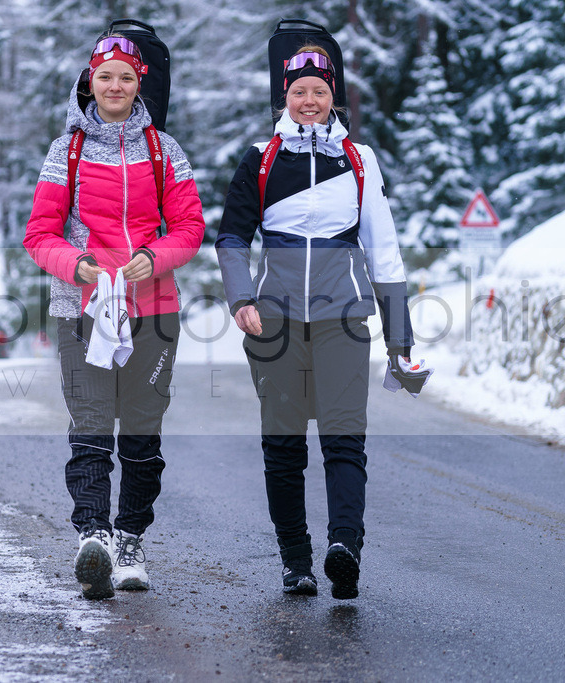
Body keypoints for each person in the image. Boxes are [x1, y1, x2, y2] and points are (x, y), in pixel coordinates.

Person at [215, 45, 416, 599]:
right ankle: (295, 560)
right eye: (299, 91)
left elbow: (384, 248)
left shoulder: (359, 159)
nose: (309, 101)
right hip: (273, 320)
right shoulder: (260, 157)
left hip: (344, 317)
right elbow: (231, 237)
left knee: (344, 438)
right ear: (285, 95)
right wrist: (240, 301)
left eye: (319, 92)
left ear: (335, 98)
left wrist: (401, 335)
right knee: (282, 444)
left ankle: (343, 549)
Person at [23, 34, 204, 600]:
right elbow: (38, 235)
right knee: (93, 425)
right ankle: (93, 538)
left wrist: (154, 258)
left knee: (143, 434)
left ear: (139, 83)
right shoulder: (66, 151)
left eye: (126, 77)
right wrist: (75, 265)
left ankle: (130, 541)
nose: (116, 87)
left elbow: (190, 227)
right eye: (106, 77)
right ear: (90, 82)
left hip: (152, 308)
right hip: (82, 309)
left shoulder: (164, 150)